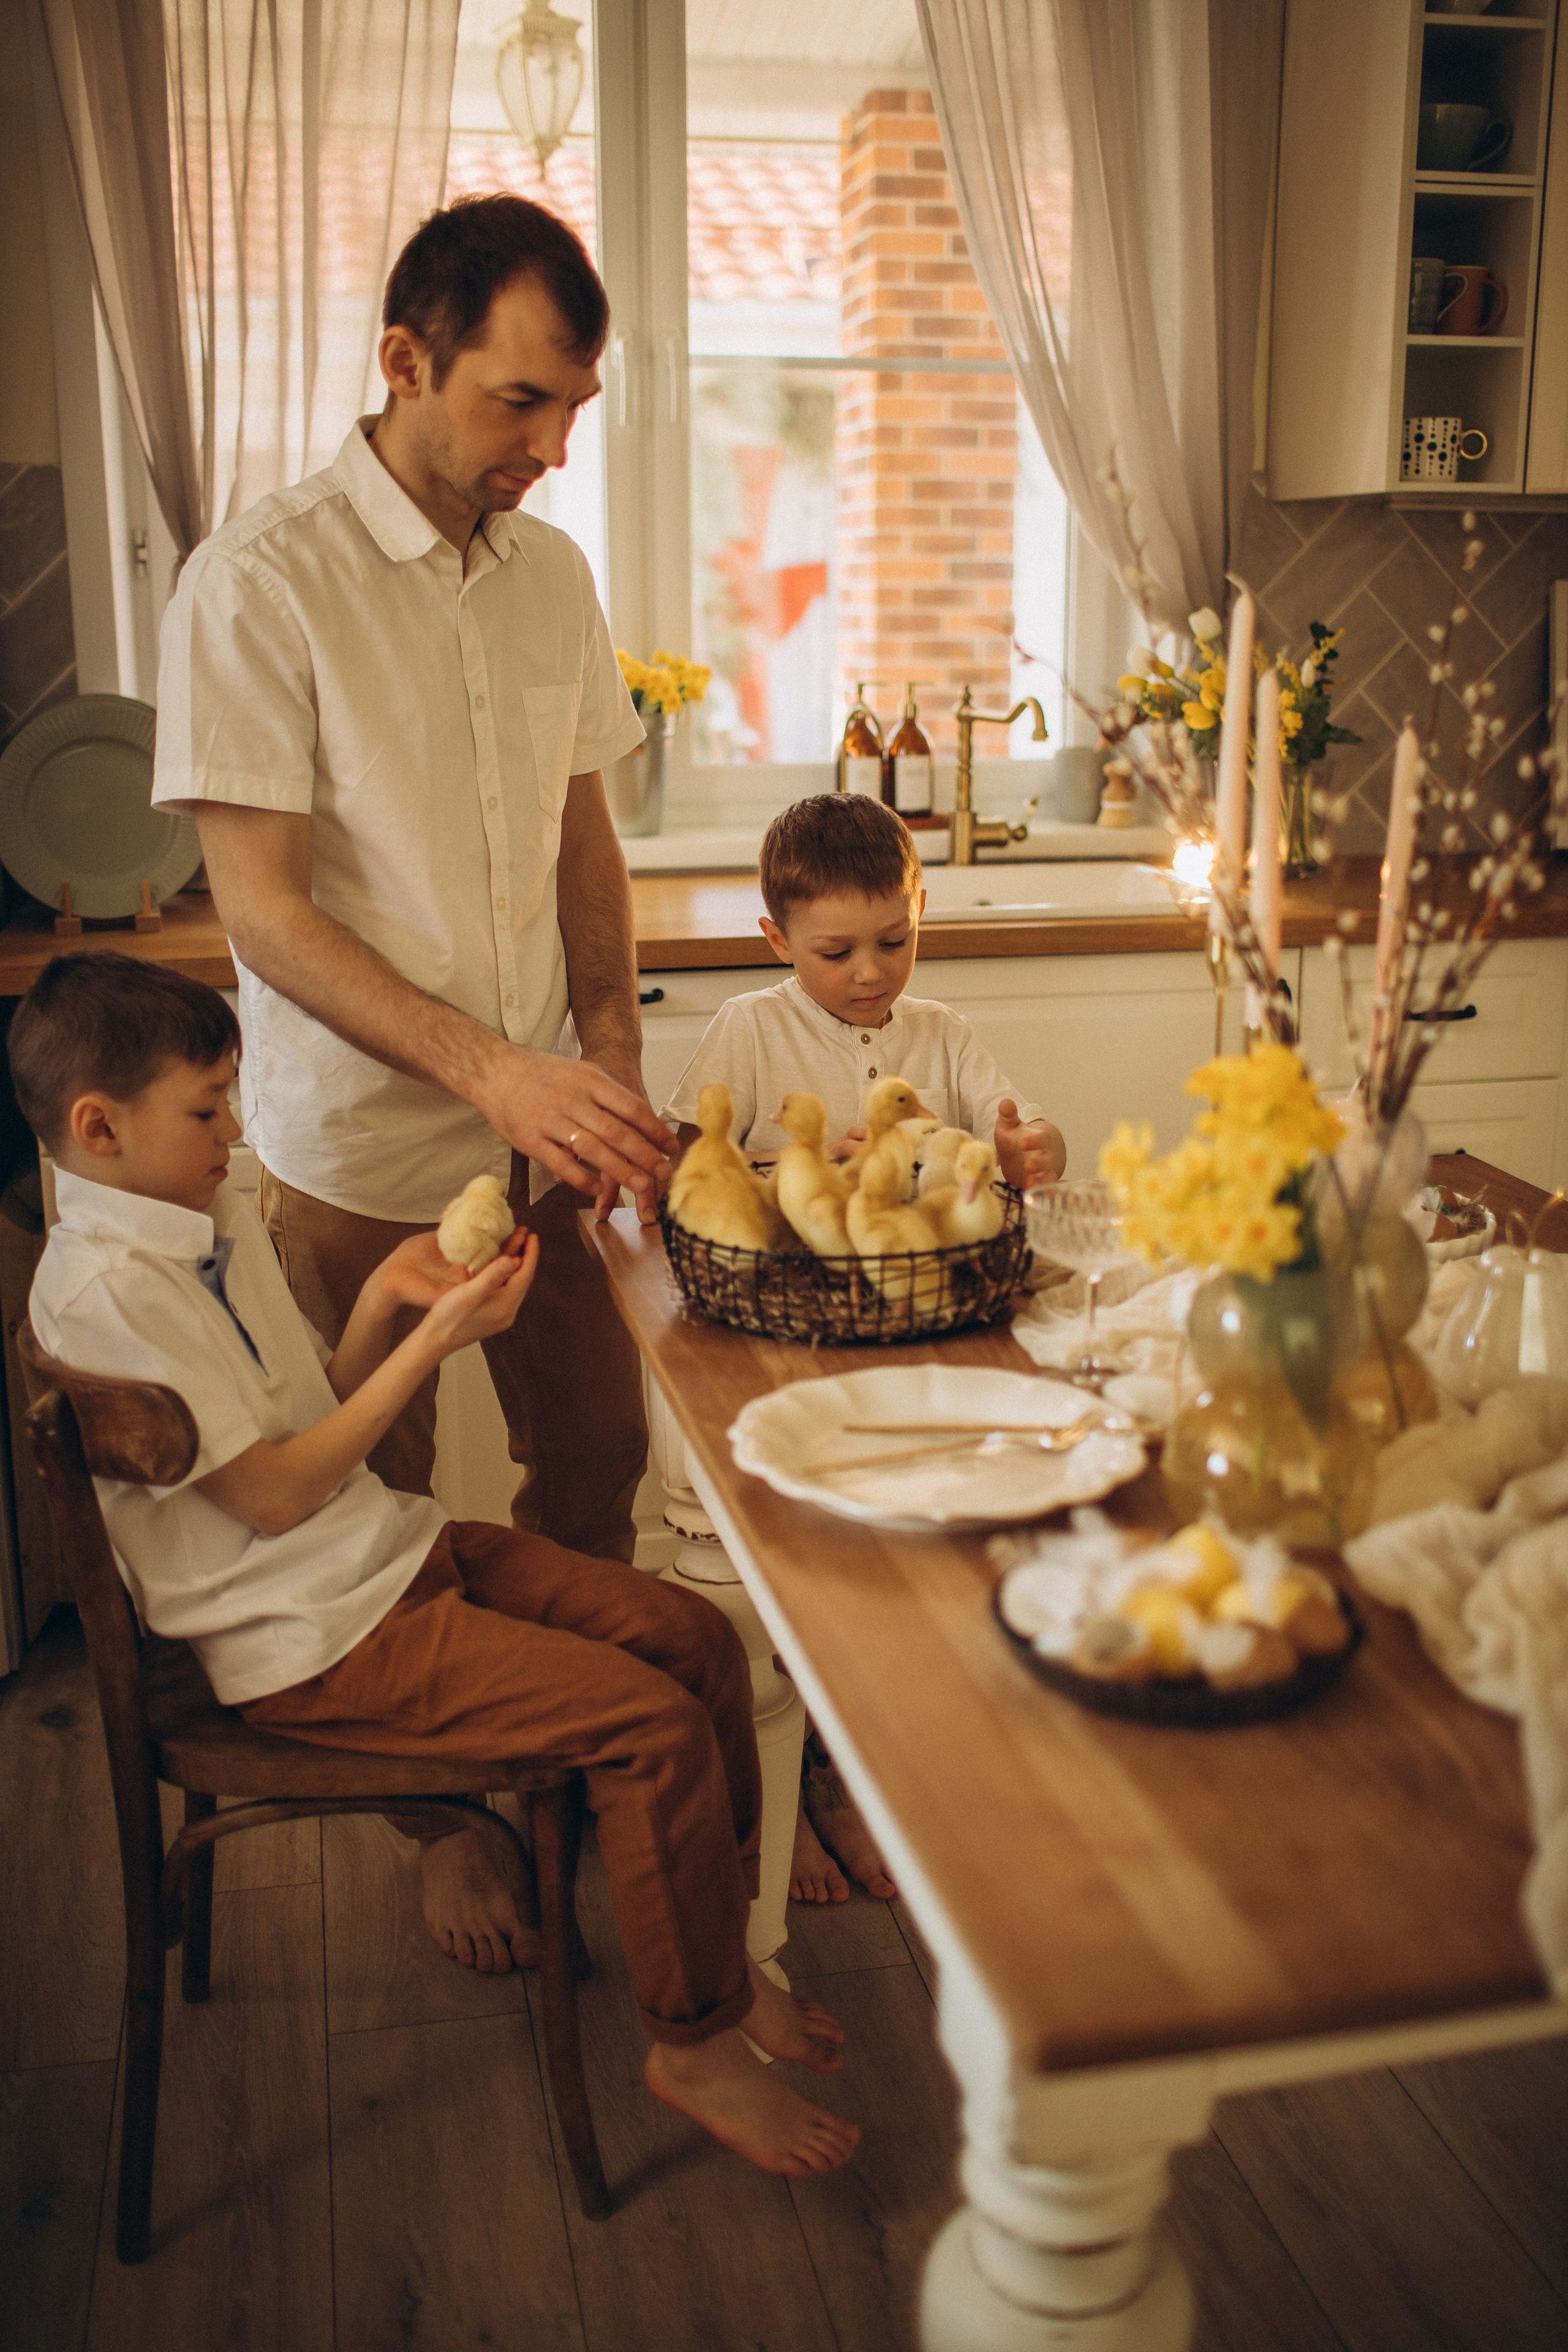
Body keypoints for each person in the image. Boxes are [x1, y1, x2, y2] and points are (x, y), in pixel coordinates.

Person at [13, 954, 860, 2179]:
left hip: (383, 1556)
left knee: (694, 1642)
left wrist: (395, 1308)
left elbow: (315, 1409)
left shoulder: (209, 1217)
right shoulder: (102, 1290)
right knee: (650, 1727)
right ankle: (693, 2043)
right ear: (99, 1127)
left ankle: (720, 1962)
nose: (232, 1131)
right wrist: (440, 1347)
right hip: (308, 1642)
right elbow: (273, 1494)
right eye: (205, 1108)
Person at [151, 192, 671, 1966]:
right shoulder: (258, 581)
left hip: (550, 1140)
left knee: (595, 1465)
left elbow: (582, 831)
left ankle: (587, 1761)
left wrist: (601, 1049)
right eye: (521, 403)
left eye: (574, 411)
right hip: (357, 1151)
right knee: (371, 1523)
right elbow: (263, 913)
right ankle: (444, 1822)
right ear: (404, 362)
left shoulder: (555, 578)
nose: (551, 449)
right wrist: (490, 1071)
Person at [663, 793, 1067, 1905]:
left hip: (918, 1341)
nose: (871, 974)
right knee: (788, 1566)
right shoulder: (748, 1030)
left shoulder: (942, 1038)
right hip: (774, 1353)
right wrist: (802, 1176)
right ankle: (773, 1802)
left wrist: (1033, 1148)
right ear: (775, 940)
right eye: (835, 952)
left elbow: (1015, 1137)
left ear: (921, 910)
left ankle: (849, 1781)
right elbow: (683, 1171)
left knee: (889, 1573)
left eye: (896, 940)